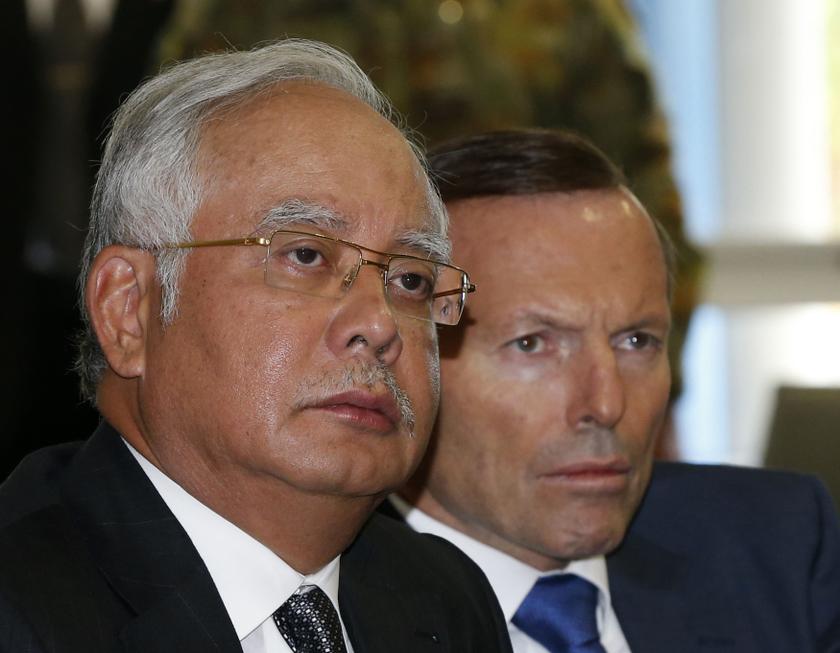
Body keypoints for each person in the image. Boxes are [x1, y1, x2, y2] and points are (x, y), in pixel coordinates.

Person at [0, 40, 513, 653]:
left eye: (410, 280)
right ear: (129, 312)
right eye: (305, 255)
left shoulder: (446, 601)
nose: (379, 325)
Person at [392, 129, 840, 652]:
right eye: (532, 344)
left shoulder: (774, 549)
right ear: (407, 361)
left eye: (637, 340)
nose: (606, 405)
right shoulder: (327, 605)